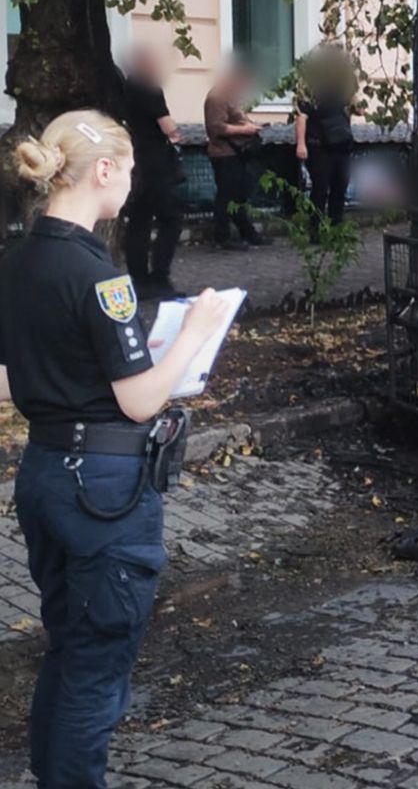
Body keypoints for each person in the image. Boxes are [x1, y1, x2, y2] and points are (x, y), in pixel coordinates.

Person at [0, 110, 227, 789]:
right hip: (102, 491)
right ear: (104, 172)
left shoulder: (15, 260)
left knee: (71, 649)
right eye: (128, 172)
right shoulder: (101, 276)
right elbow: (137, 401)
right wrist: (194, 332)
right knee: (96, 666)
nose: (130, 186)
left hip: (43, 473)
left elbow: (9, 380)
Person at [118, 47, 185, 299]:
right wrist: (176, 132)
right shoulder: (151, 90)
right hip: (156, 164)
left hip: (135, 162)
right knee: (171, 219)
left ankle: (139, 278)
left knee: (139, 221)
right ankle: (159, 276)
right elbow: (168, 128)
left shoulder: (125, 88)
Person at [202, 56, 268, 250]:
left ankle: (247, 233)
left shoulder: (231, 96)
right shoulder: (217, 97)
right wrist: (245, 130)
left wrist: (250, 126)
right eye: (243, 81)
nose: (245, 85)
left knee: (238, 196)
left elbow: (235, 120)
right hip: (224, 154)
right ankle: (222, 236)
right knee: (226, 196)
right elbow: (216, 127)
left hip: (236, 153)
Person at [294, 43, 357, 233]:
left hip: (342, 145)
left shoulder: (345, 83)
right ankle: (316, 230)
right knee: (320, 190)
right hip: (319, 146)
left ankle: (336, 230)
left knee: (339, 189)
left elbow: (356, 108)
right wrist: (301, 144)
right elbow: (301, 116)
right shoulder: (312, 84)